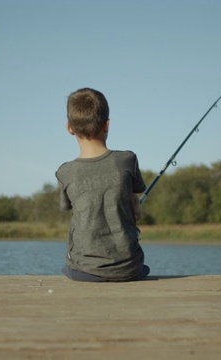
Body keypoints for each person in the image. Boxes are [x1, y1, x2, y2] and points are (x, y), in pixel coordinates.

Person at [56, 88, 150, 282]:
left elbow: (68, 207)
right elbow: (134, 200)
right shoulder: (127, 160)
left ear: (69, 128)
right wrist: (135, 205)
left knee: (67, 267)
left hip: (84, 271)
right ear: (107, 125)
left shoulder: (65, 172)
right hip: (129, 269)